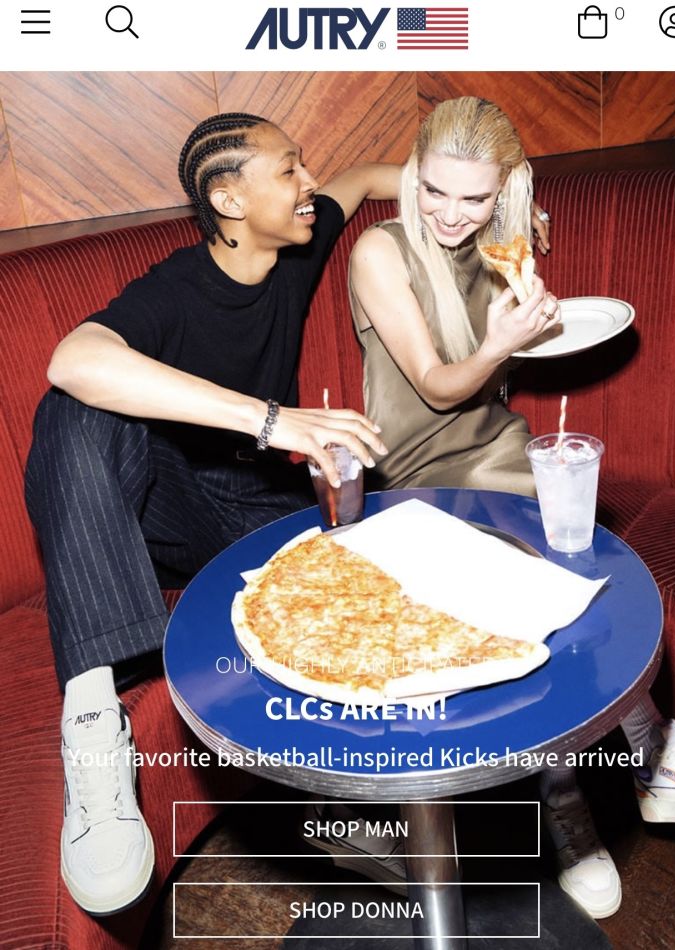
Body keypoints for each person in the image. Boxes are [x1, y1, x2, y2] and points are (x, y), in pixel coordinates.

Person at [345, 96, 675, 919]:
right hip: (413, 477)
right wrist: (500, 342)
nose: (450, 214)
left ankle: (647, 764)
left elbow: (504, 374)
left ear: (502, 190)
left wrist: (530, 312)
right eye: (434, 191)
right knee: (525, 599)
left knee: (579, 562)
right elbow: (438, 385)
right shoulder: (379, 250)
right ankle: (584, 807)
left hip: (498, 451)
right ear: (413, 177)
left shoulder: (499, 244)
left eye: (473, 198)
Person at [24, 111, 400, 917]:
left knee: (390, 574)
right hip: (167, 504)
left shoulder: (295, 248)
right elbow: (72, 359)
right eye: (289, 171)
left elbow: (368, 175)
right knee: (77, 407)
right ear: (229, 199)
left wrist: (495, 199)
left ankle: (346, 802)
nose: (308, 184)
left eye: (303, 167)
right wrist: (270, 419)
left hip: (256, 510)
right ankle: (92, 727)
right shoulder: (177, 287)